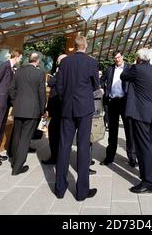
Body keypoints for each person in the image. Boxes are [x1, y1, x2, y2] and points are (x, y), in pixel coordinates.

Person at [55, 35, 99, 201]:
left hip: (67, 108)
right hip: (85, 108)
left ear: (73, 46)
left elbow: (59, 86)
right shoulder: (91, 62)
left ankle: (60, 189)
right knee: (83, 146)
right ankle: (81, 192)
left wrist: (65, 99)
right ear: (85, 46)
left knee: (64, 146)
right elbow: (96, 85)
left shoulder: (65, 62)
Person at [121, 48, 152, 194]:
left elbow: (124, 75)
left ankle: (148, 182)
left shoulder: (136, 69)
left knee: (143, 148)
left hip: (141, 114)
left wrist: (132, 64)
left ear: (138, 58)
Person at [9, 53, 46, 175]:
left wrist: (16, 102)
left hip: (19, 109)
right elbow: (41, 94)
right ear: (37, 61)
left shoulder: (19, 71)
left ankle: (14, 161)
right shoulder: (40, 73)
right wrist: (42, 110)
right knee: (25, 138)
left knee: (17, 135)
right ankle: (17, 167)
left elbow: (11, 89)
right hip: (32, 110)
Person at [100, 51, 136, 167]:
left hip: (125, 102)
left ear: (123, 57)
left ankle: (132, 158)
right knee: (112, 131)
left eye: (119, 57)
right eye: (115, 58)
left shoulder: (130, 67)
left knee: (129, 131)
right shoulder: (110, 68)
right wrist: (102, 89)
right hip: (112, 102)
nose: (117, 59)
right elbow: (102, 80)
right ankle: (109, 157)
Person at [42, 54, 67, 165]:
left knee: (54, 133)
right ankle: (58, 156)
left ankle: (55, 157)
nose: (57, 62)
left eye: (58, 60)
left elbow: (51, 83)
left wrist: (56, 73)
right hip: (60, 108)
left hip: (57, 108)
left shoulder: (61, 72)